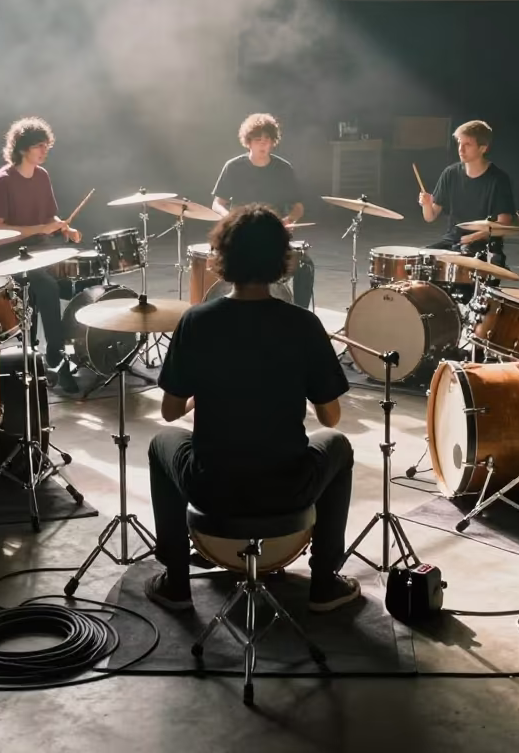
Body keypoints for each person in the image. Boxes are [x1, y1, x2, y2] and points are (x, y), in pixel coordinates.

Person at [145, 204, 361, 614]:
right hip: (287, 485)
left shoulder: (197, 321)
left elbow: (171, 412)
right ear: (282, 260)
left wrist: (202, 392)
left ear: (222, 258)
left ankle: (175, 582)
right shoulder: (304, 324)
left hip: (212, 485)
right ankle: (324, 582)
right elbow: (330, 418)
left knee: (162, 443)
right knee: (339, 446)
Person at [0, 116, 81, 393]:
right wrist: (42, 227)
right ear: (22, 147)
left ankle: (87, 353)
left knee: (83, 279)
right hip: (8, 256)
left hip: (42, 250)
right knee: (48, 288)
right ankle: (56, 358)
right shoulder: (3, 180)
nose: (45, 151)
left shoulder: (42, 176)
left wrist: (65, 226)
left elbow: (50, 214)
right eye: (40, 146)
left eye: (47, 145)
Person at [212, 112, 313, 308]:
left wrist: (289, 219)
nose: (263, 145)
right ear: (248, 142)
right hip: (240, 236)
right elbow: (217, 203)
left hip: (272, 235)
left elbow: (298, 206)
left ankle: (301, 315)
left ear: (273, 142)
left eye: (267, 140)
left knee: (305, 265)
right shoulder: (233, 167)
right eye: (258, 140)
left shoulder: (284, 169)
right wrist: (231, 220)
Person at [418, 120, 515, 266]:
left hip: (484, 245)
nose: (461, 150)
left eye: (467, 145)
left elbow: (504, 224)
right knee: (420, 260)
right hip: (453, 241)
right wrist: (426, 204)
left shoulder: (498, 179)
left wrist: (475, 236)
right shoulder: (450, 173)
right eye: (459, 143)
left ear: (483, 148)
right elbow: (430, 217)